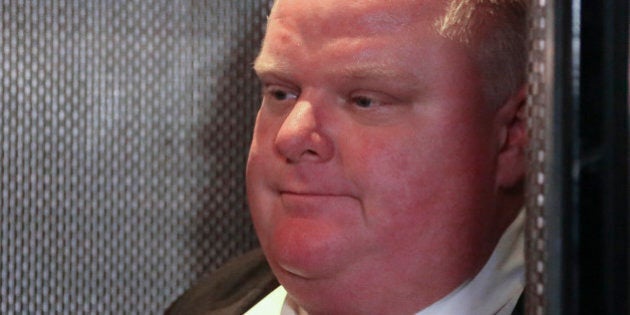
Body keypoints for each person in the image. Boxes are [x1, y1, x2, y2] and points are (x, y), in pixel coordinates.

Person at [167, 0, 529, 314]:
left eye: (364, 100)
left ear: (513, 135)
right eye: (280, 93)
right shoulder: (205, 304)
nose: (290, 135)